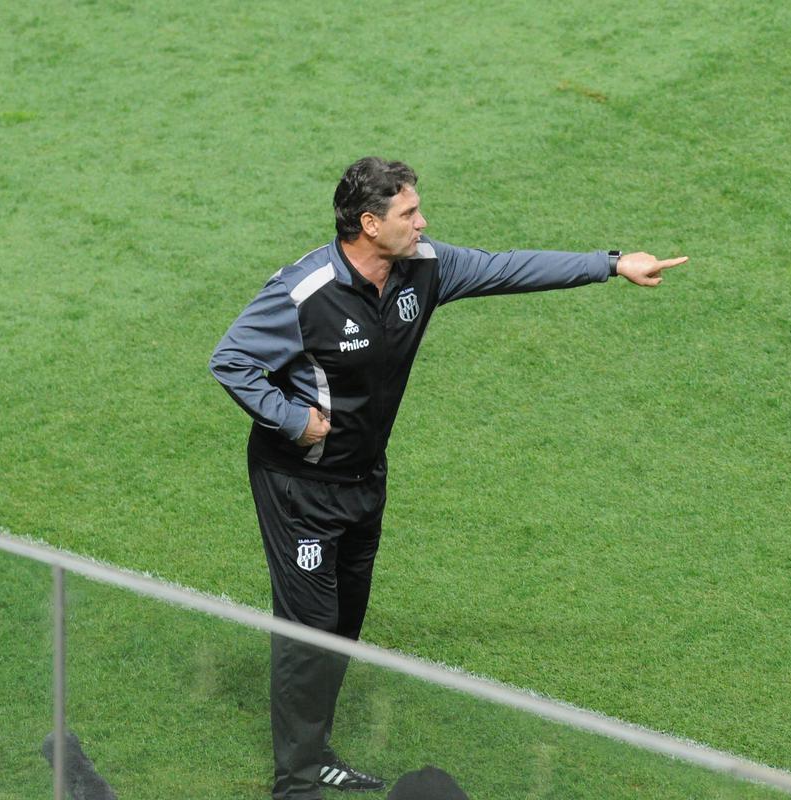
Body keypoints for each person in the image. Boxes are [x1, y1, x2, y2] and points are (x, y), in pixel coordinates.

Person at [208, 156, 686, 799]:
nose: (423, 222)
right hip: (300, 486)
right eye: (409, 212)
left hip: (365, 478)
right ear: (369, 224)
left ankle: (313, 753)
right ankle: (294, 786)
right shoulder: (305, 291)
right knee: (309, 630)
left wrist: (612, 263)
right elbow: (231, 358)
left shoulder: (424, 267)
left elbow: (505, 267)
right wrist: (294, 420)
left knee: (344, 624)